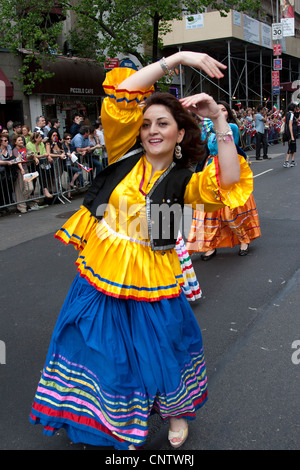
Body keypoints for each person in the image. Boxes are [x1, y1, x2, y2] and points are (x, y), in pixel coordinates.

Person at [29, 51, 253, 450]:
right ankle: (103, 418)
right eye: (146, 123)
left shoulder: (187, 179)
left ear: (179, 134)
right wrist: (180, 58)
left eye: (163, 124)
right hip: (101, 273)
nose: (152, 130)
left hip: (154, 278)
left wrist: (218, 118)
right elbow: (125, 90)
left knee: (165, 347)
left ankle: (177, 411)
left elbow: (231, 179)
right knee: (96, 348)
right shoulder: (122, 154)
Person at [187, 100, 261, 259]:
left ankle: (244, 239)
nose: (220, 112)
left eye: (223, 110)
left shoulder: (231, 128)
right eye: (217, 109)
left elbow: (229, 143)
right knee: (209, 211)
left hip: (228, 168)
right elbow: (198, 147)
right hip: (210, 169)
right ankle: (210, 245)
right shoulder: (207, 131)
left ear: (228, 113)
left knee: (230, 211)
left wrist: (215, 126)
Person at [26, 131, 53, 199]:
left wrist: (47, 156)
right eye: (40, 137)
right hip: (31, 164)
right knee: (33, 180)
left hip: (39, 164)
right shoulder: (29, 144)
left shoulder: (41, 144)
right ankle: (32, 195)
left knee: (42, 175)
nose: (41, 138)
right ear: (35, 138)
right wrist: (42, 155)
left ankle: (45, 189)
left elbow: (44, 153)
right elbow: (32, 155)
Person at [283, 103, 298, 167]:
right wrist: (292, 135)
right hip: (291, 133)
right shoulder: (291, 114)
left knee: (293, 146)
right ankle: (286, 161)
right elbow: (290, 124)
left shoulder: (287, 114)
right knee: (291, 146)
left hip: (289, 132)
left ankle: (292, 160)